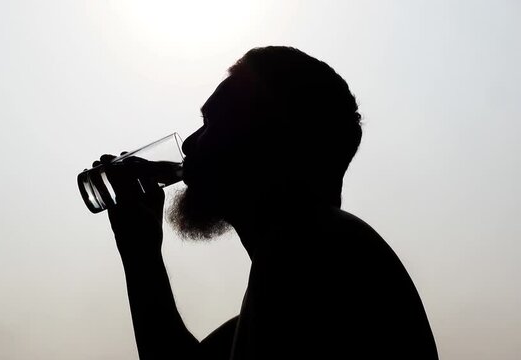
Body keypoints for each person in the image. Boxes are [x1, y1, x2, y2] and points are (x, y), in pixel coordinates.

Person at [94, 46, 439, 359]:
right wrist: (140, 251)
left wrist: (141, 255)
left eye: (211, 122)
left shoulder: (309, 248)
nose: (189, 144)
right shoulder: (306, 261)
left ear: (269, 142)